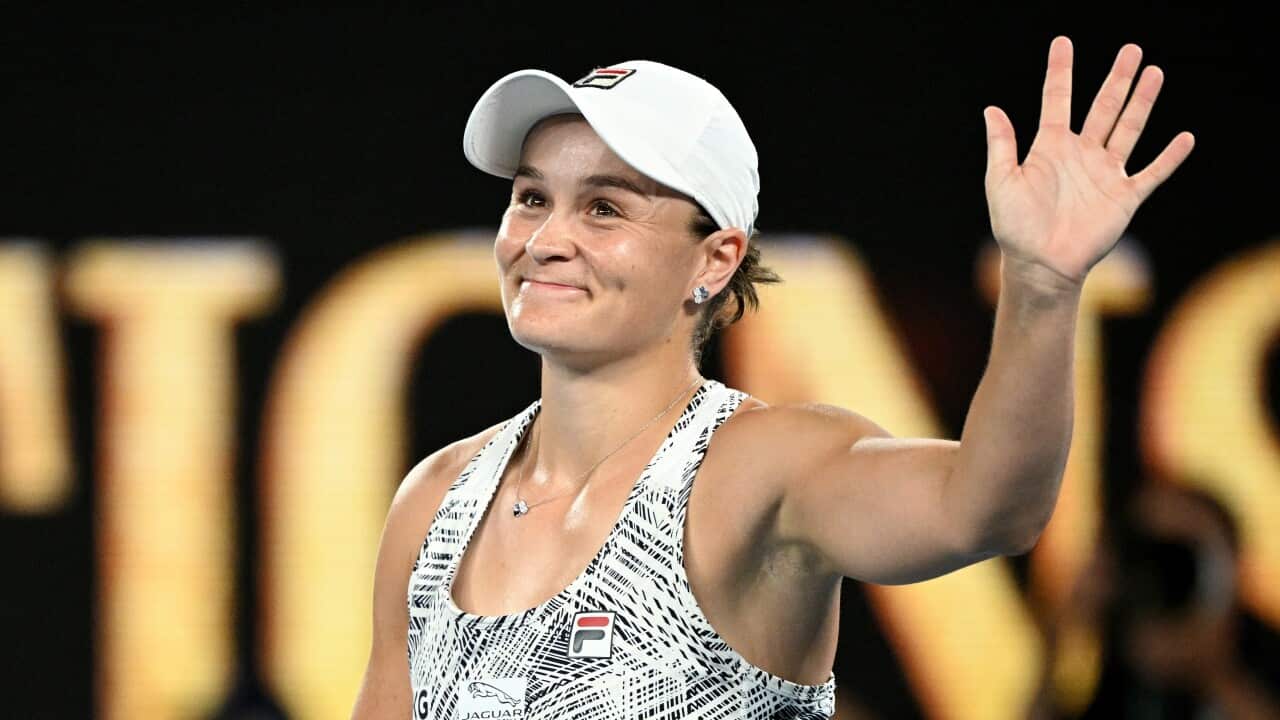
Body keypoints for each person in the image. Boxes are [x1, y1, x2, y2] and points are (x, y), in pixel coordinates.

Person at [351, 36, 1194, 719]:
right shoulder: (437, 498)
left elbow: (988, 508)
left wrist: (1041, 284)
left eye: (603, 208)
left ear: (715, 260)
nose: (544, 240)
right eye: (533, 198)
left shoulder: (761, 466)